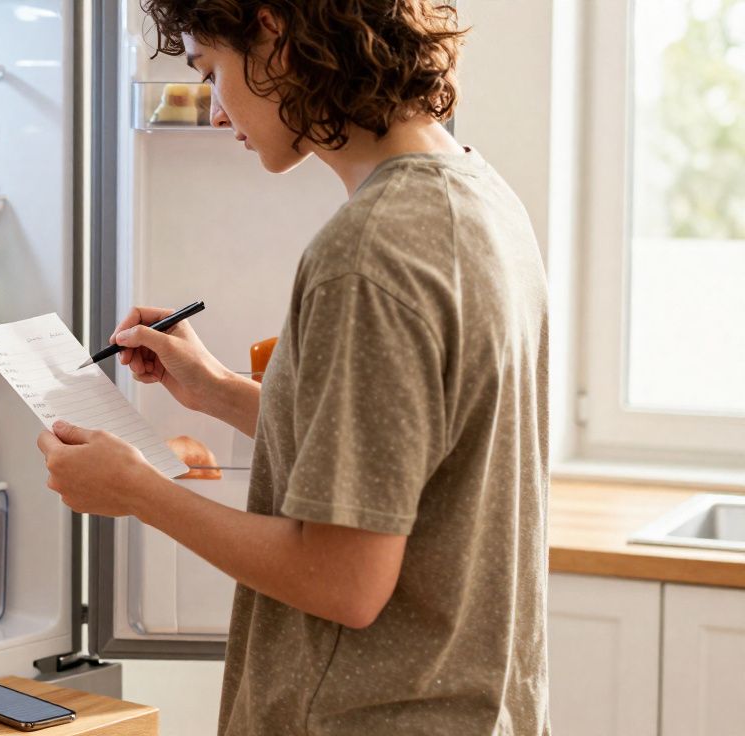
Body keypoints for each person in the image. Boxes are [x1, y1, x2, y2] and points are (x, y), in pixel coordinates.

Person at [35, 1, 549, 734]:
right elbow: (406, 455)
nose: (215, 112)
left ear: (273, 33)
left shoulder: (368, 251)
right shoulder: (477, 195)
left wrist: (137, 491)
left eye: (211, 71)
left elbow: (344, 581)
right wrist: (216, 392)